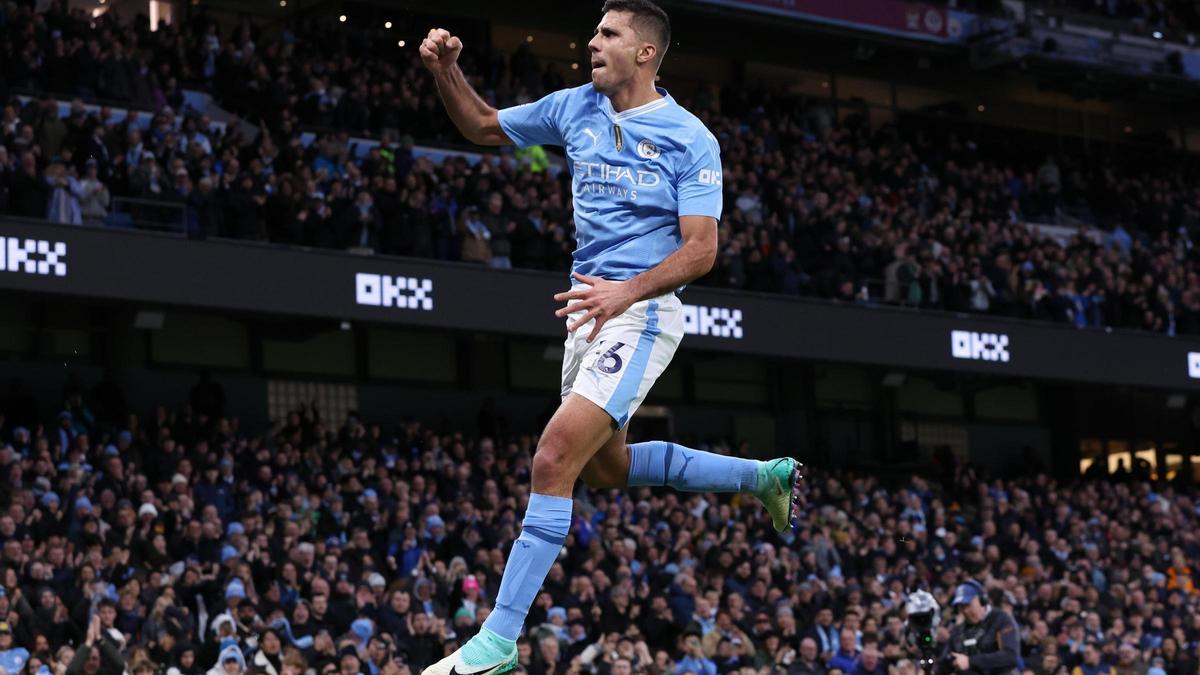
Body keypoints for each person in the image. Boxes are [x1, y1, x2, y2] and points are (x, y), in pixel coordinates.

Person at [418, 2, 802, 675]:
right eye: (595, 31)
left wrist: (626, 291)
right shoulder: (575, 107)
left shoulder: (690, 137)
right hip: (588, 314)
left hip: (642, 311)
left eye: (607, 34)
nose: (591, 42)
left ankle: (498, 640)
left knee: (552, 457)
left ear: (645, 52)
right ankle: (761, 475)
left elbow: (703, 249)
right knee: (606, 468)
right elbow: (481, 124)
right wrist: (448, 70)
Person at [937, 582, 1020, 675]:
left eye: (968, 605)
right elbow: (945, 661)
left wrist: (970, 661)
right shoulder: (958, 631)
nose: (965, 611)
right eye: (961, 607)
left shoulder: (1001, 619)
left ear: (982, 600)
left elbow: (1010, 656)